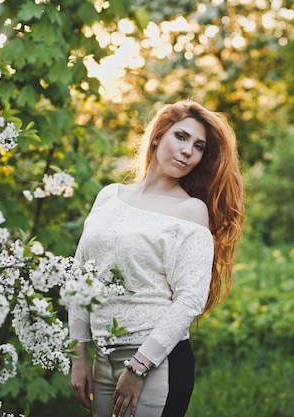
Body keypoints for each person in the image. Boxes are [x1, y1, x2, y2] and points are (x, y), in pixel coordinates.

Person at [68, 99, 245, 417]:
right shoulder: (109, 196)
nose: (188, 150)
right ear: (157, 136)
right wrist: (77, 355)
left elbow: (190, 299)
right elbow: (81, 278)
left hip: (155, 364)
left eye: (199, 146)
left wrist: (138, 367)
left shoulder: (190, 210)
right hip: (101, 358)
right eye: (181, 137)